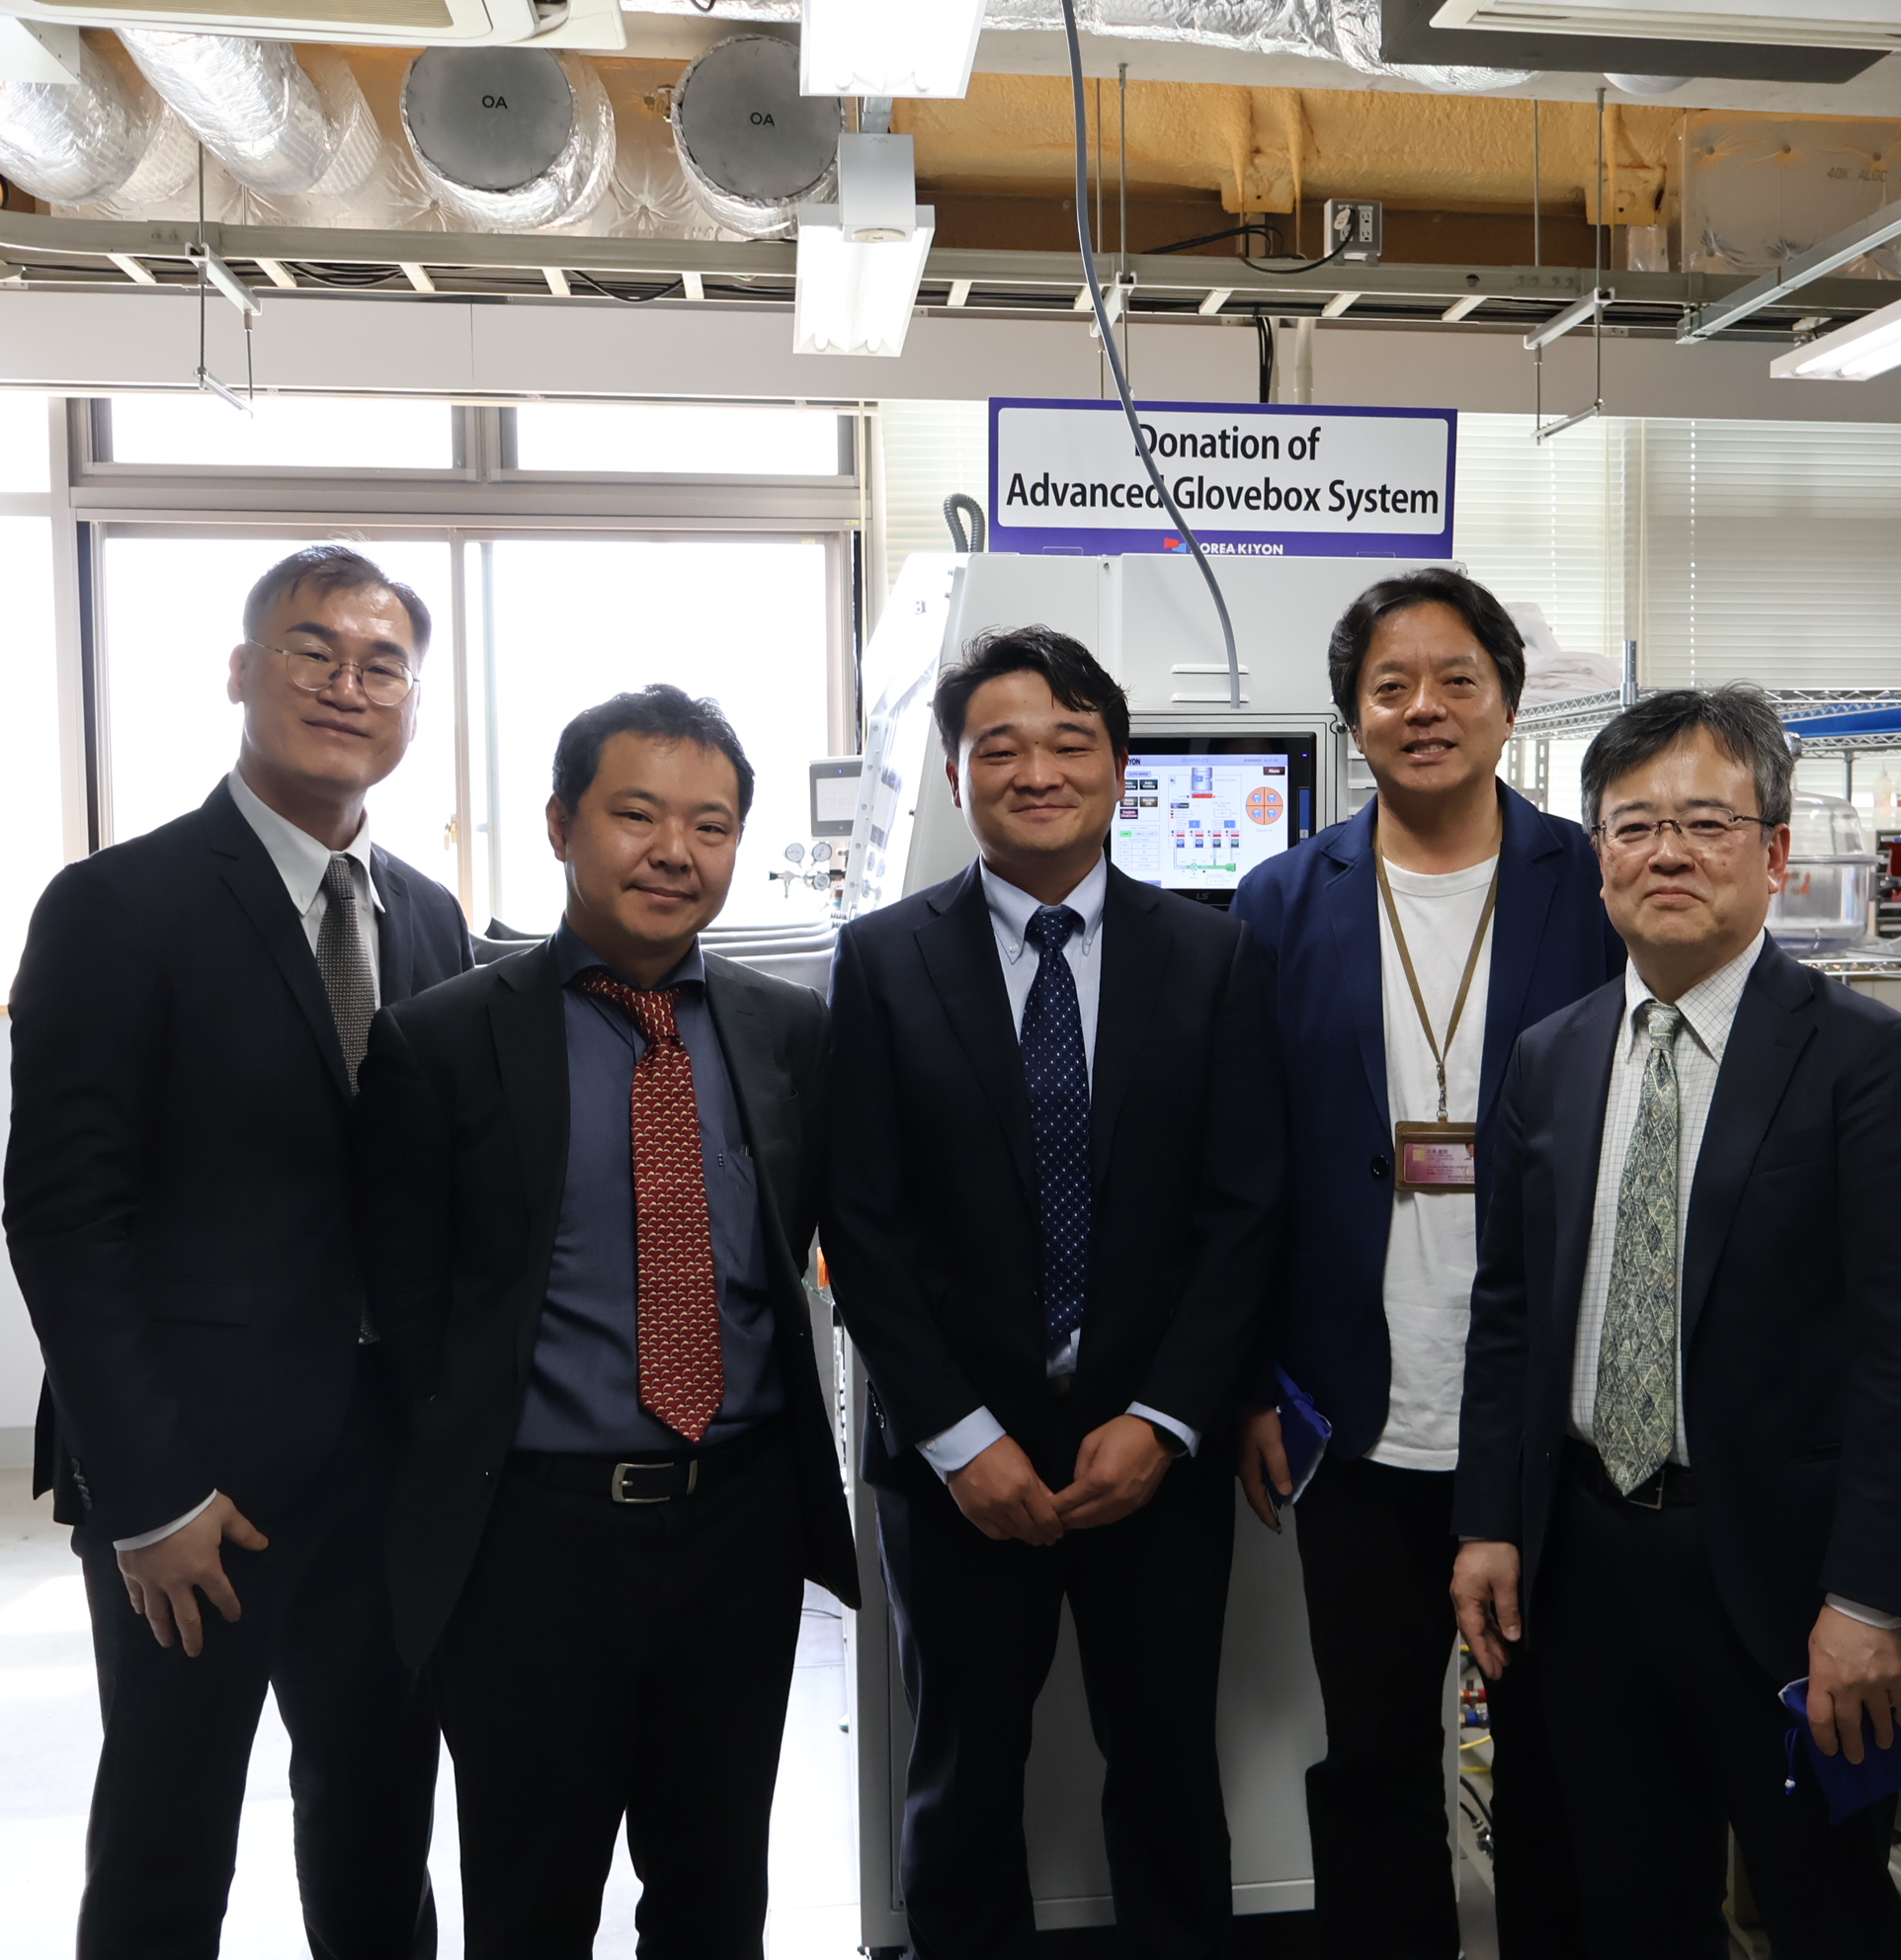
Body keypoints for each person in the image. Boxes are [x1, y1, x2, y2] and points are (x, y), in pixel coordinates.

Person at [1451, 684, 1901, 1959]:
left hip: (1799, 1587)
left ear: (1777, 853)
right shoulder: (1551, 1057)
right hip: (1590, 1564)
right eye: (1634, 826)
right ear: (1599, 857)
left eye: (1706, 823)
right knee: (1628, 1912)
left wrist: (1870, 1599)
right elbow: (1510, 1317)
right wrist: (1487, 1521)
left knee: (1826, 1916)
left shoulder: (1872, 1065)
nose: (1668, 853)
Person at [4, 544, 463, 1959]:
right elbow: (64, 1219)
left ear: (412, 703)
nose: (347, 685)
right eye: (312, 651)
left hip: (388, 1475)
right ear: (241, 672)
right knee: (166, 1843)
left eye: (382, 665)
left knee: (380, 1830)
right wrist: (148, 1498)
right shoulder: (117, 905)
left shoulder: (430, 915)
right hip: (195, 1485)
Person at [352, 685, 860, 1955]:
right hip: (534, 1542)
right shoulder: (442, 1041)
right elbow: (410, 1318)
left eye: (711, 825)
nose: (674, 851)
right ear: (561, 825)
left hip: (738, 1528)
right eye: (636, 815)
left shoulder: (786, 1030)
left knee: (716, 1893)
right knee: (532, 1899)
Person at [822, 625, 1285, 1960]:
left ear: (1121, 770)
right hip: (959, 1465)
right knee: (964, 1775)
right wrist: (959, 1439)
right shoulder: (882, 959)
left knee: (1169, 1766)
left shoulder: (1214, 956)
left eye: (1071, 743)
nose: (1038, 771)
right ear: (955, 775)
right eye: (1000, 747)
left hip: (1155, 1457)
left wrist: (1168, 1419)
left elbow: (1246, 1211)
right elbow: (862, 1224)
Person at [1227, 568, 1617, 1960]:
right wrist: (1254, 1382)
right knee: (1376, 1751)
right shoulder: (1281, 900)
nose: (1425, 707)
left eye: (1458, 678)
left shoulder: (1595, 882)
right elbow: (1247, 1166)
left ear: (1509, 702)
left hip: (1551, 1410)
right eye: (1391, 686)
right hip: (1355, 1411)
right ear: (1354, 717)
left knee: (1555, 1749)